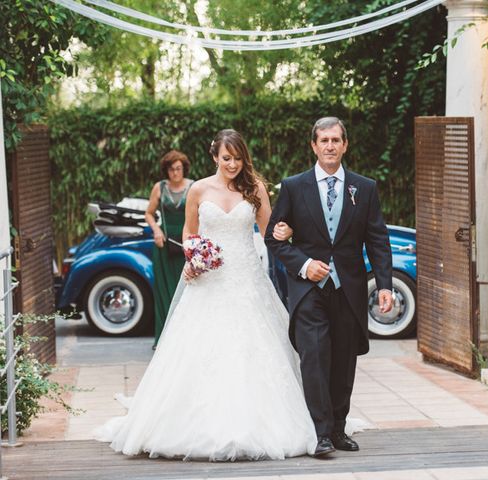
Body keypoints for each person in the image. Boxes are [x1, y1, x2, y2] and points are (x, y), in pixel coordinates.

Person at [94, 129, 317, 461]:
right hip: (208, 280)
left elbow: (271, 231)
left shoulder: (254, 188)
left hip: (246, 280)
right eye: (226, 158)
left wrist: (287, 230)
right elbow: (188, 230)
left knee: (254, 348)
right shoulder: (198, 189)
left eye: (238, 158)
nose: (232, 164)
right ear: (214, 157)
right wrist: (193, 254)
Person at [265, 117, 393, 457]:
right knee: (315, 359)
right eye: (323, 140)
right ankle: (320, 433)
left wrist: (384, 284)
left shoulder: (364, 188)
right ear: (314, 145)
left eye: (336, 140)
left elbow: (377, 239)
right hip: (309, 292)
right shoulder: (294, 187)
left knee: (343, 362)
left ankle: (338, 428)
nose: (330, 146)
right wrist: (305, 265)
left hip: (348, 290)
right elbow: (273, 241)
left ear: (345, 144)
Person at [144, 150, 194, 347]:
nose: (175, 173)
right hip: (164, 244)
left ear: (184, 169)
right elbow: (148, 213)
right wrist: (156, 230)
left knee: (187, 290)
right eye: (172, 169)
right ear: (166, 170)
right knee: (165, 291)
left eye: (179, 169)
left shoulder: (193, 187)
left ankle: (185, 338)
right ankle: (165, 339)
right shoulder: (160, 187)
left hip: (186, 243)